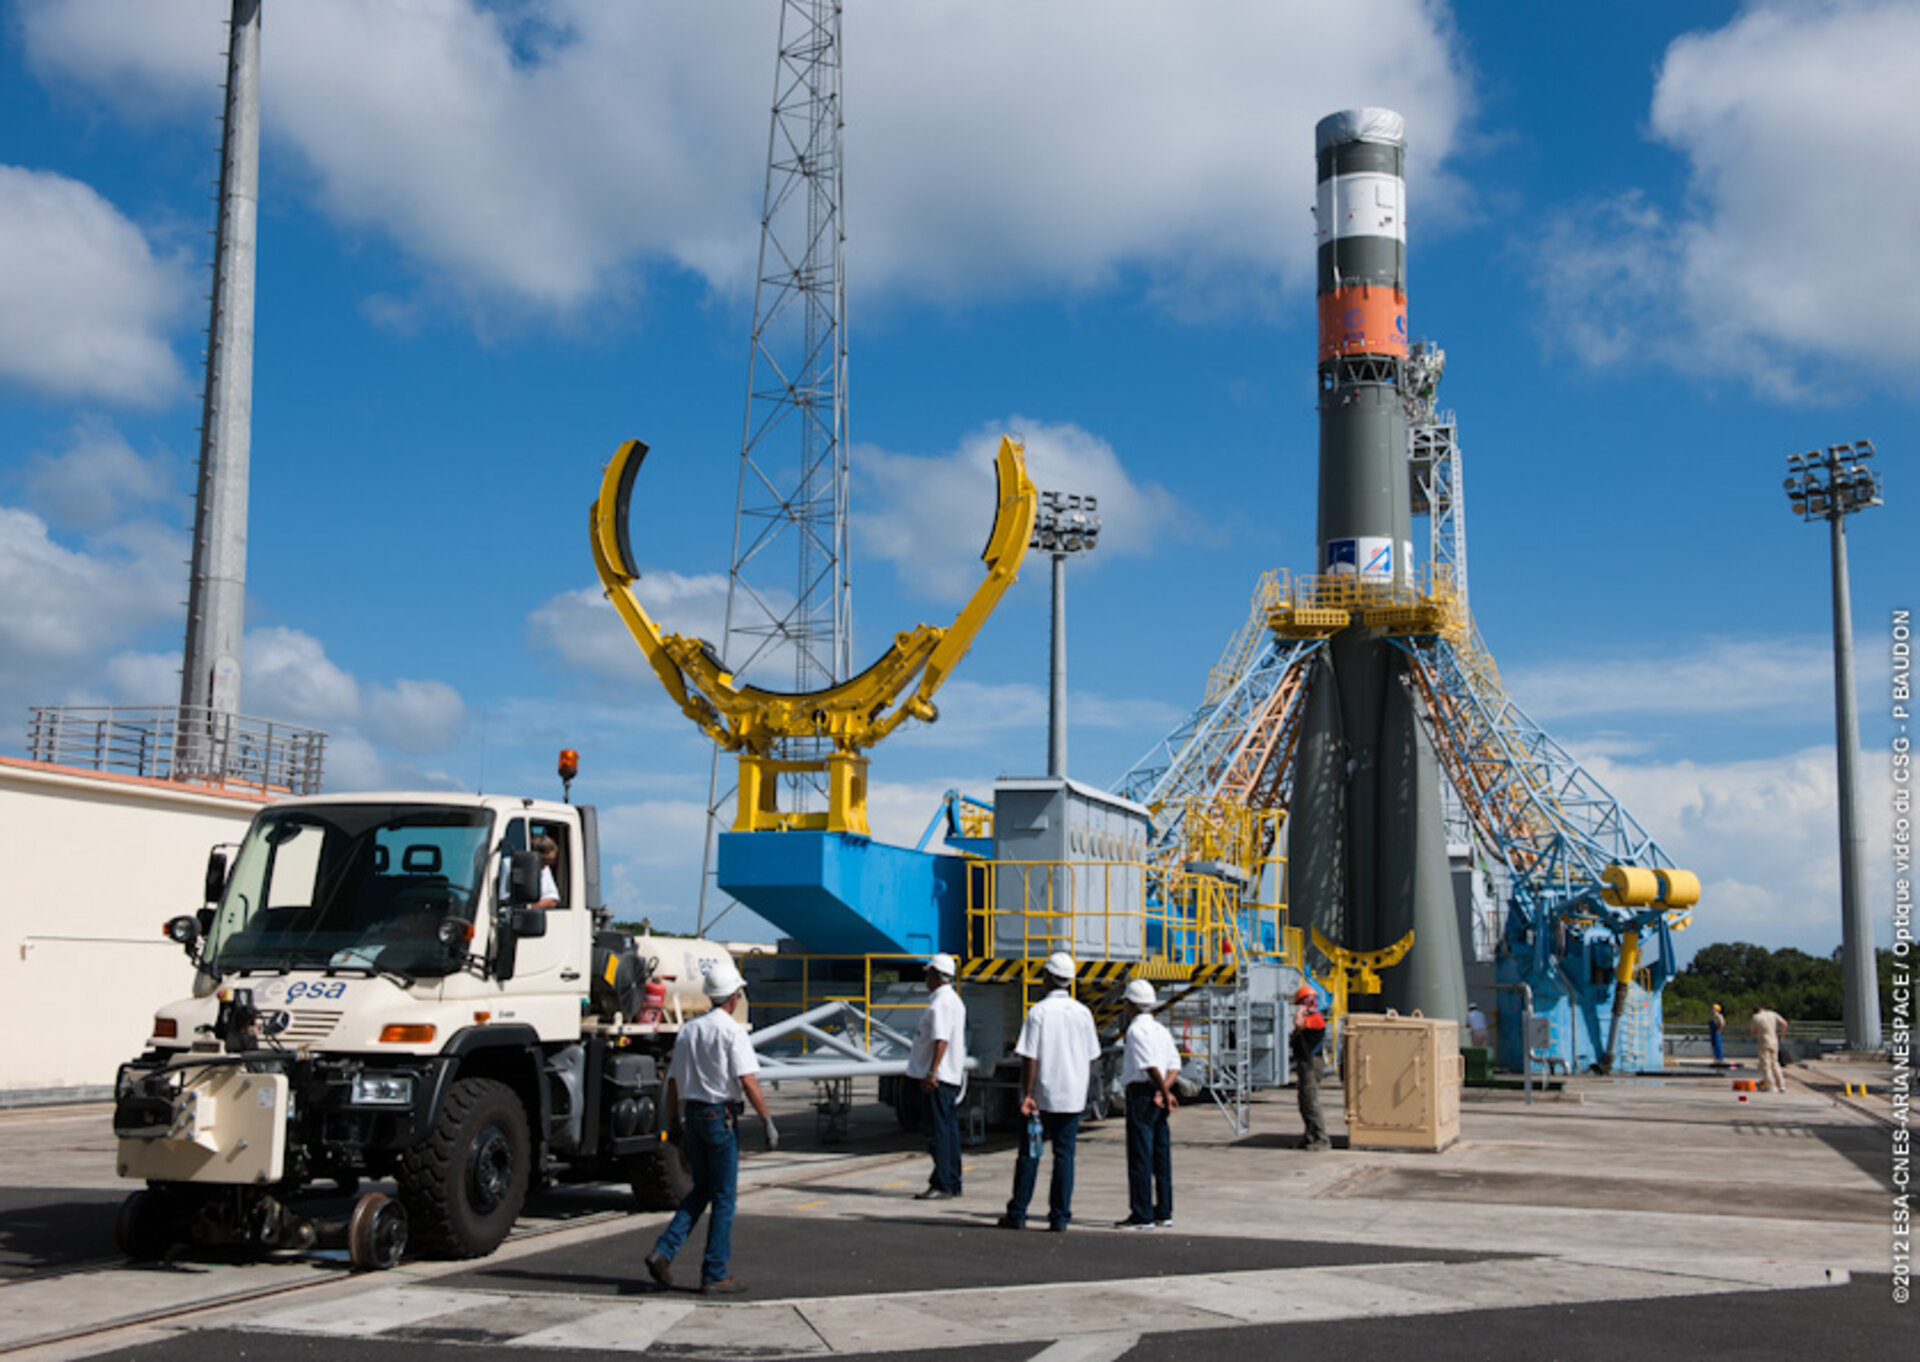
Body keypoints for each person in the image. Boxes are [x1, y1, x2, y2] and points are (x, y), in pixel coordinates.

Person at [645, 961, 777, 1294]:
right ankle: (714, 1272)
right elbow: (747, 1080)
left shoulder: (689, 1030)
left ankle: (664, 1250)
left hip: (692, 1117)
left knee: (700, 1190)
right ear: (733, 996)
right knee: (724, 1198)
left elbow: (674, 1081)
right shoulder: (732, 1031)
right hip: (720, 1117)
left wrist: (673, 1120)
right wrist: (767, 1120)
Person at [997, 952, 1101, 1232]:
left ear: (1047, 977)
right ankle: (1060, 1216)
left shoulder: (1038, 1012)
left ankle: (1018, 1212)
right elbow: (1092, 1055)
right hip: (1072, 1098)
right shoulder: (1083, 1013)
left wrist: (1027, 1093)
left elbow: (1029, 1057)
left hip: (1041, 1098)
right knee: (1065, 1157)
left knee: (1031, 1154)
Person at [1115, 979, 1179, 1230]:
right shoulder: (1160, 1030)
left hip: (1144, 1094)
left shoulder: (1135, 1031)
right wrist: (1166, 1091)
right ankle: (1164, 1210)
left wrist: (1162, 1091)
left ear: (1130, 1004)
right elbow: (1173, 1065)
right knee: (1161, 1155)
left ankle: (1142, 1214)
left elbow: (1150, 1066)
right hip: (1159, 1093)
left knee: (1140, 1155)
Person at [906, 952, 967, 1201]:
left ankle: (942, 1183)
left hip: (938, 1078)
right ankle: (952, 1180)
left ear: (936, 976)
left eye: (928, 974)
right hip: (949, 1076)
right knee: (949, 1130)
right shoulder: (954, 1001)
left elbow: (941, 1039)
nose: (925, 978)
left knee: (938, 1131)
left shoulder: (940, 1004)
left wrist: (932, 1072)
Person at [1291, 984, 1330, 1151]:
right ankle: (1309, 1137)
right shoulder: (1311, 1016)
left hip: (1312, 1063)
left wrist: (1300, 1011)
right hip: (1305, 1062)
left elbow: (1299, 1023)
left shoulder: (1315, 1017)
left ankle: (1322, 1139)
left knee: (1311, 1101)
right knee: (1304, 1101)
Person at [1749, 1005, 1789, 1092]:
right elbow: (1785, 1024)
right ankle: (1781, 1085)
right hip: (1774, 1040)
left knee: (1766, 1065)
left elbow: (1752, 1032)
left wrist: (1756, 1036)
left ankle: (1771, 1086)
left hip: (1763, 1041)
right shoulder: (1772, 1014)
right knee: (1775, 1063)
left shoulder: (1756, 1017)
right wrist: (1781, 1036)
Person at [529, 834, 561, 909]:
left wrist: (529, 907)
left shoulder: (545, 869)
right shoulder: (509, 865)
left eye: (551, 861)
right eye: (546, 860)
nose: (548, 865)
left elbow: (552, 900)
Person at [1708, 1003, 1727, 1067]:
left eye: (1714, 1008)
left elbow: (1722, 1023)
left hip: (1716, 1031)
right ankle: (1715, 1058)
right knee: (1713, 1045)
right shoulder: (1712, 1016)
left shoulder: (1719, 1016)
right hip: (1712, 1032)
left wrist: (1719, 1029)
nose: (1712, 1009)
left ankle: (1720, 1058)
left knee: (1718, 1045)